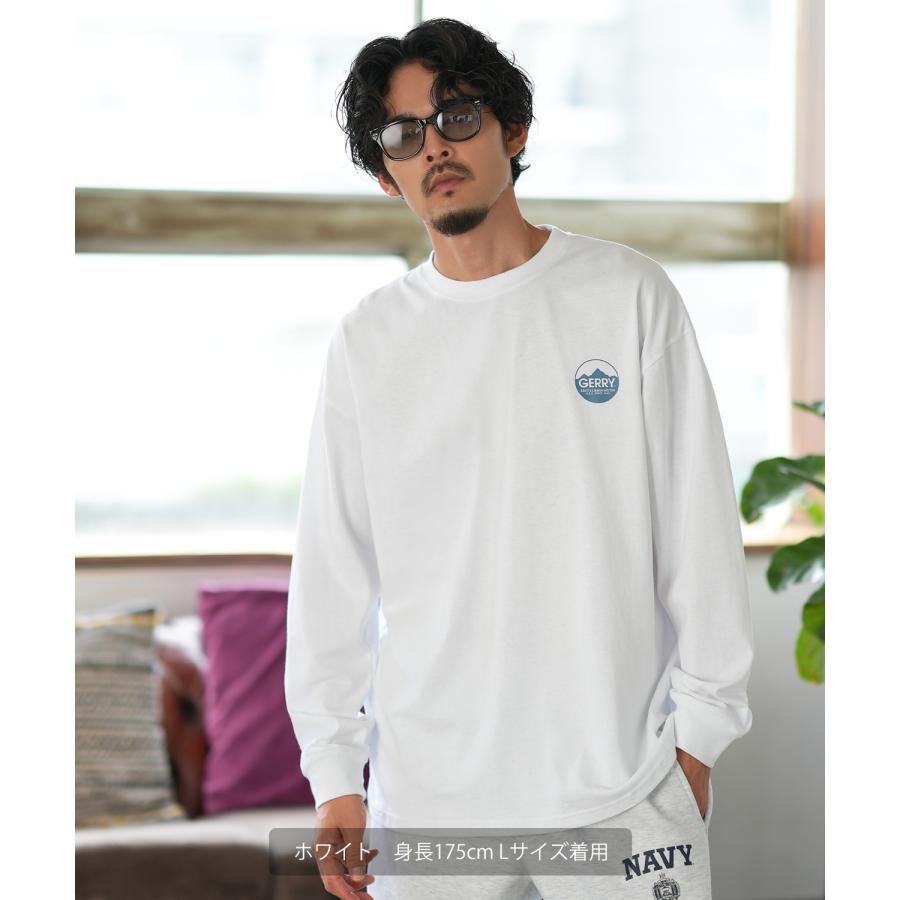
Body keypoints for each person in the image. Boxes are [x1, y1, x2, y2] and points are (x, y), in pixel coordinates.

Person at [284, 17, 753, 900]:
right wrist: (335, 772)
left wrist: (699, 737)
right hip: (433, 801)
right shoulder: (369, 341)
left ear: (514, 130)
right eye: (403, 134)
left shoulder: (627, 295)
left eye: (457, 116)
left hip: (622, 783)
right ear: (386, 173)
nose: (434, 147)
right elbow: (332, 572)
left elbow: (699, 529)